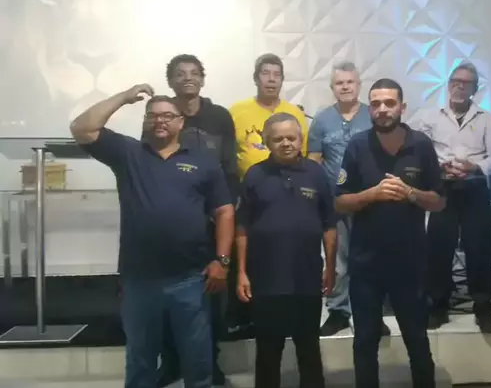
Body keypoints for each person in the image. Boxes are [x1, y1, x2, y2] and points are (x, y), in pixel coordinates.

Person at [70, 84, 234, 388]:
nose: (160, 120)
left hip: (191, 279)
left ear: (181, 122)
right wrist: (123, 97)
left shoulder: (203, 162)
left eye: (168, 115)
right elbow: (82, 128)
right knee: (141, 362)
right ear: (145, 120)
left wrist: (222, 260)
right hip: (139, 281)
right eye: (153, 115)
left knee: (198, 363)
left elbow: (224, 211)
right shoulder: (128, 153)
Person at [335, 78, 445, 388]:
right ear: (369, 109)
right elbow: (339, 202)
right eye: (376, 104)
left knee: (417, 338)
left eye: (389, 103)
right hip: (366, 263)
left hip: (410, 262)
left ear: (402, 107)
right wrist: (372, 195)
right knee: (365, 341)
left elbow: (439, 202)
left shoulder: (421, 145)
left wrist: (410, 192)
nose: (382, 109)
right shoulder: (357, 145)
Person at [155, 54, 239, 387]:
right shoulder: (162, 115)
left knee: (212, 295)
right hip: (172, 222)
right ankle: (171, 362)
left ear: (202, 79)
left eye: (193, 73)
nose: (187, 78)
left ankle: (210, 363)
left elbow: (230, 167)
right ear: (171, 81)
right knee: (167, 294)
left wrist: (226, 208)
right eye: (180, 74)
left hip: (215, 220)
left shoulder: (220, 117)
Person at [236, 113, 337, 388]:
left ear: (301, 139)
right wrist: (241, 272)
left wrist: (330, 268)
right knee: (268, 352)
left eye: (291, 138)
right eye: (278, 138)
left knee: (309, 349)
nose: (285, 143)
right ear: (267, 141)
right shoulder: (255, 175)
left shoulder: (316, 173)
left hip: (307, 278)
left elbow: (329, 226)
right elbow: (242, 227)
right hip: (266, 281)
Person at [408, 62, 491, 333]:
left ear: (475, 89)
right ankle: (438, 306)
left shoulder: (485, 118)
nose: (459, 86)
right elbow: (413, 146)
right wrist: (438, 166)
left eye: (466, 83)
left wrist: (476, 167)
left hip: (475, 189)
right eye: (455, 81)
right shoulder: (429, 116)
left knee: (480, 248)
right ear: (448, 84)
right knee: (439, 248)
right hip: (443, 189)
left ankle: (483, 306)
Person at [307, 61, 391, 337]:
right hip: (335, 203)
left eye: (350, 82)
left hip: (370, 202)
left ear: (358, 85)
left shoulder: (373, 115)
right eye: (339, 83)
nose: (345, 87)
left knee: (372, 261)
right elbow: (314, 162)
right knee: (338, 261)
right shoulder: (322, 120)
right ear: (332, 87)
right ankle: (339, 312)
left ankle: (372, 314)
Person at [230, 53, 309, 181]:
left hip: (290, 184)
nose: (271, 79)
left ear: (282, 80)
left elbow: (304, 154)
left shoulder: (296, 113)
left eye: (277, 75)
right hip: (247, 186)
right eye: (265, 73)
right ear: (256, 78)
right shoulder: (236, 111)